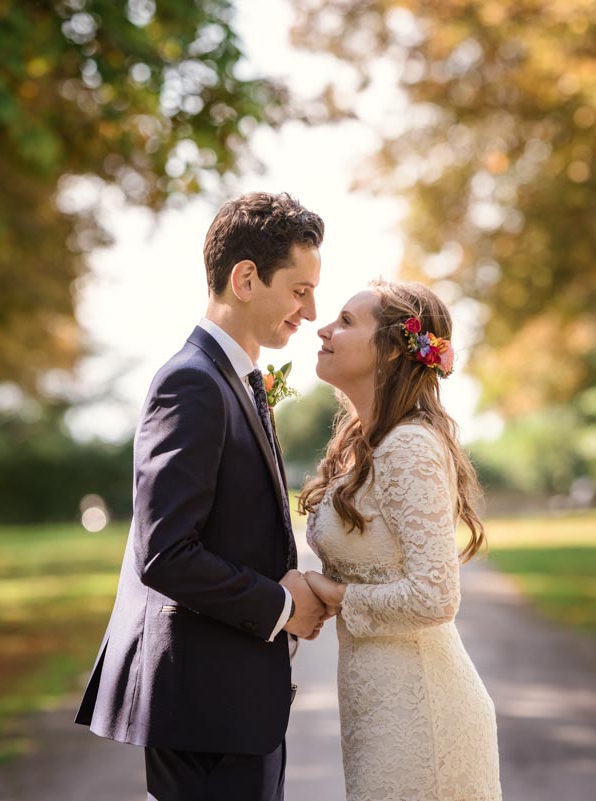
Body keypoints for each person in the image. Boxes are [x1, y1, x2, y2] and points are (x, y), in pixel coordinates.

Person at [75, 192, 330, 801]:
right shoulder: (191, 383)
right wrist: (278, 605)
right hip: (204, 711)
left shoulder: (235, 380)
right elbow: (163, 553)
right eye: (300, 290)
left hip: (234, 706)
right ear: (246, 279)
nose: (312, 310)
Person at [300, 279, 502, 801]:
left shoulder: (409, 446)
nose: (323, 328)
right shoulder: (364, 446)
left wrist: (339, 596)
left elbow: (437, 595)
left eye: (345, 321)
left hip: (424, 712)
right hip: (378, 707)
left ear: (390, 349)